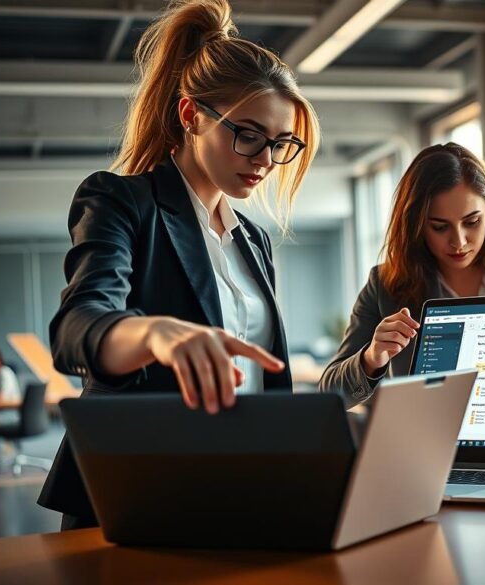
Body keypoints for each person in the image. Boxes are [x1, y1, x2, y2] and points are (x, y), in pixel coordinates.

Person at [38, 0, 321, 530]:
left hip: (242, 489)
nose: (265, 159)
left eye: (280, 143)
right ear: (191, 115)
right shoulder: (121, 202)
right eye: (249, 134)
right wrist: (154, 333)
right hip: (138, 492)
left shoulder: (253, 241)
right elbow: (75, 328)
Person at [320, 143, 485, 407]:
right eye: (440, 227)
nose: (459, 242)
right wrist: (371, 358)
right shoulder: (384, 285)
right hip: (430, 443)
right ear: (416, 226)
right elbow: (329, 393)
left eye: (472, 222)